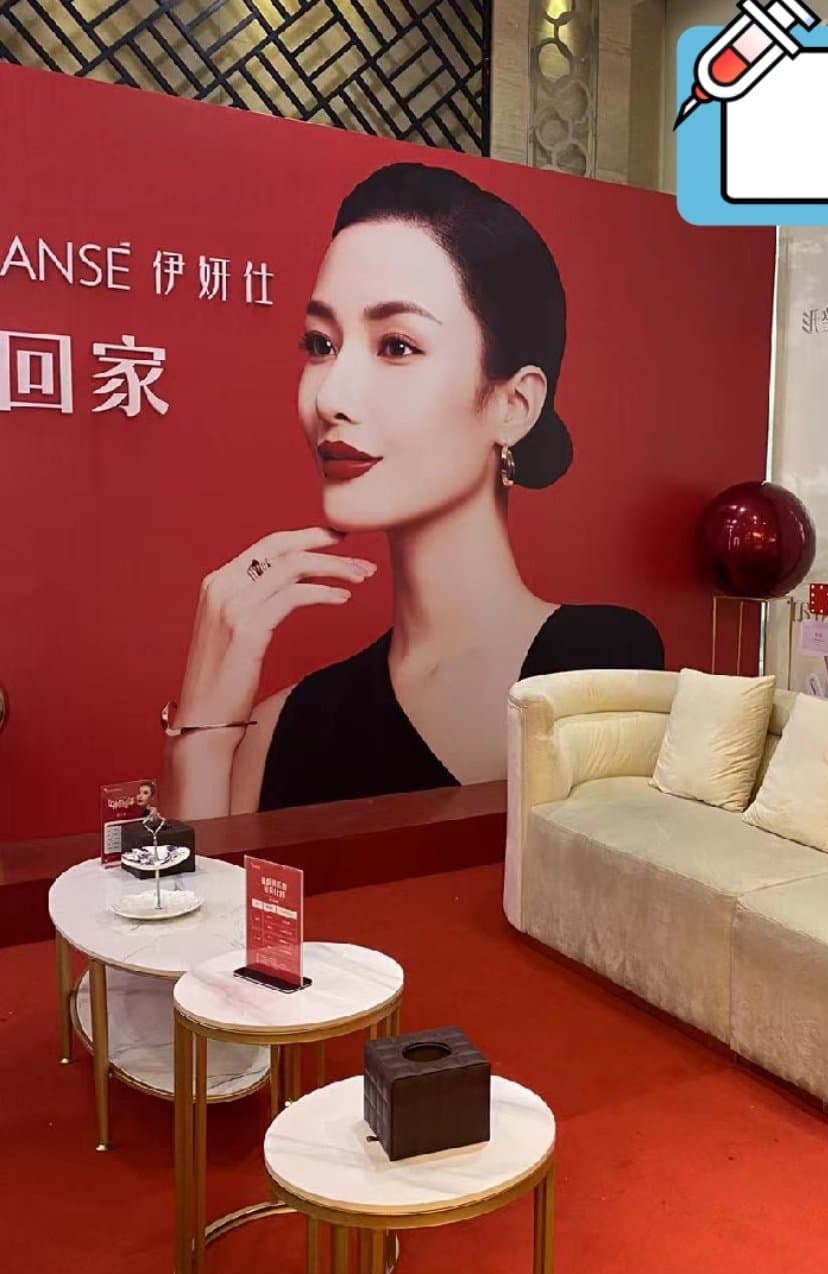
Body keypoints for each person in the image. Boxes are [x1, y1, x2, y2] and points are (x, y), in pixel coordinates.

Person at [165, 163, 663, 818]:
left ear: (513, 404)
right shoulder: (284, 732)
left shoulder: (603, 662)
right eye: (320, 343)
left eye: (396, 346)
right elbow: (199, 885)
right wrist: (203, 727)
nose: (331, 396)